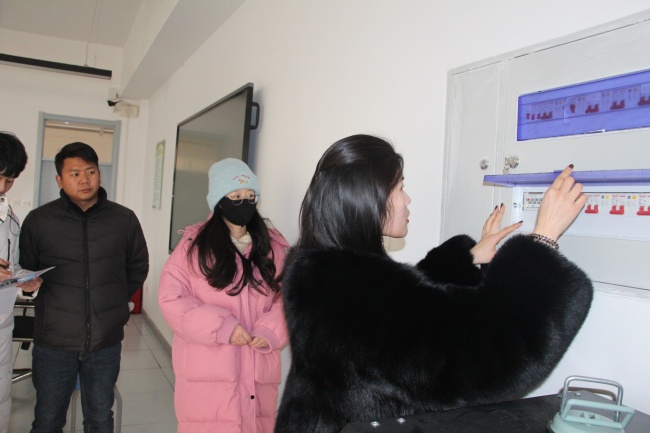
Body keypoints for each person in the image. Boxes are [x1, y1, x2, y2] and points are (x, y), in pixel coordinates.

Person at [274, 134, 593, 433]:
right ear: (370, 198)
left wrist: (468, 259)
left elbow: (404, 317)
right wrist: (543, 241)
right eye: (400, 187)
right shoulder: (367, 299)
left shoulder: (318, 272)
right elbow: (492, 359)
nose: (407, 199)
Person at [19, 142, 149, 433]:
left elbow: (137, 267)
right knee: (48, 420)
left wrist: (113, 303)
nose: (84, 179)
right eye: (75, 173)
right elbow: (25, 270)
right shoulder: (39, 221)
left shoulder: (123, 219)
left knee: (100, 418)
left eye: (90, 171)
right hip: (54, 340)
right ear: (59, 180)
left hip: (105, 340)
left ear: (99, 174)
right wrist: (30, 285)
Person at [159, 158, 290, 433]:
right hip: (208, 369)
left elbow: (289, 298)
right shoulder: (194, 246)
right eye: (236, 196)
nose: (244, 203)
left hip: (257, 368)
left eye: (250, 196)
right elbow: (172, 299)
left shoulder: (274, 247)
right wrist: (222, 327)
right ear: (219, 201)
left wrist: (271, 330)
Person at [0, 132, 41, 433]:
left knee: (2, 396)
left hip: (2, 323)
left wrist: (25, 278)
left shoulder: (10, 218)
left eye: (10, 180)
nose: (3, 187)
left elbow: (11, 265)